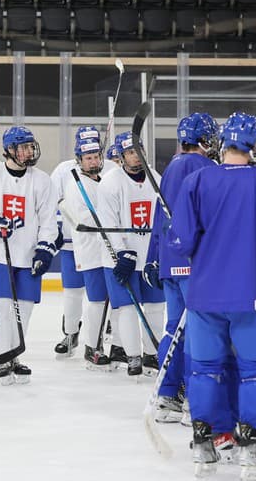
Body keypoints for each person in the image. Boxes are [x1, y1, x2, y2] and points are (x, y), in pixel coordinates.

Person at [167, 112, 256, 478]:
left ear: (222, 143)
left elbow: (181, 240)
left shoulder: (197, 180)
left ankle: (204, 444)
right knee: (254, 371)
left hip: (205, 292)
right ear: (255, 146)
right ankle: (249, 447)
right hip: (253, 291)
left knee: (205, 370)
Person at [0, 125, 58, 384]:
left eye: (31, 146)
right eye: (23, 147)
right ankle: (2, 357)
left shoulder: (42, 180)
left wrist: (45, 248)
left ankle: (15, 355)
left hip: (28, 254)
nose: (30, 151)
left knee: (23, 310)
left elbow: (49, 221)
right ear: (8, 150)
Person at [143, 112, 218, 424]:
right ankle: (191, 398)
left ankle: (167, 394)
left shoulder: (170, 167)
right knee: (198, 331)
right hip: (193, 260)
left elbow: (160, 217)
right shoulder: (207, 168)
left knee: (174, 328)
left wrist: (153, 256)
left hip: (170, 262)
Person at [97, 131, 165, 378]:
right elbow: (107, 222)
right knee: (126, 308)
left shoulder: (155, 179)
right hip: (118, 257)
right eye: (129, 153)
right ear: (122, 156)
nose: (136, 157)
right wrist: (121, 252)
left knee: (156, 307)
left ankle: (151, 354)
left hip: (149, 257)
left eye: (138, 151)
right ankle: (133, 355)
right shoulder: (110, 182)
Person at [48, 125, 118, 359]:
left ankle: (101, 331)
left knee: (104, 294)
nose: (93, 158)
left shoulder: (110, 168)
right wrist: (53, 232)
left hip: (106, 243)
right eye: (87, 153)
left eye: (95, 152)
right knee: (73, 292)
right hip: (74, 240)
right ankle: (70, 334)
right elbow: (53, 201)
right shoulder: (63, 170)